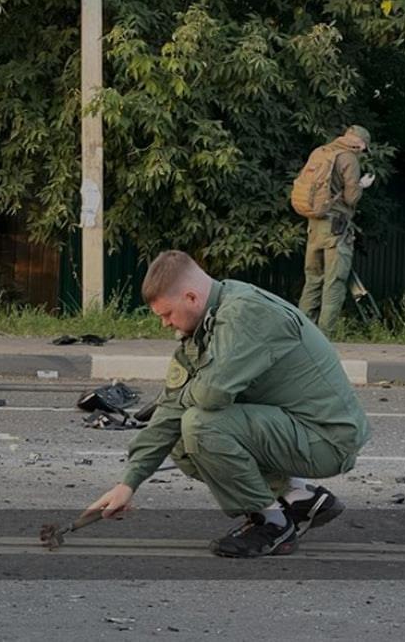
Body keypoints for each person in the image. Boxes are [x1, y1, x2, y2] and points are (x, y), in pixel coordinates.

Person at [87, 250, 370, 558]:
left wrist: (179, 399)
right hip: (295, 428)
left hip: (327, 438)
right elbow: (170, 410)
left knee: (200, 424)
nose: (165, 324)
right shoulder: (206, 324)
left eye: (167, 314)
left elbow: (211, 394)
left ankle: (272, 525)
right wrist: (128, 483)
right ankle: (297, 497)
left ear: (191, 297)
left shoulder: (245, 314)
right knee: (180, 437)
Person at [297, 125, 376, 335]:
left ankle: (302, 333)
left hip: (314, 224)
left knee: (313, 280)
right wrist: (361, 185)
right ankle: (325, 336)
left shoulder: (320, 152)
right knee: (335, 281)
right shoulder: (349, 159)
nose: (363, 152)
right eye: (364, 148)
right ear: (360, 143)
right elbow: (351, 198)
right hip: (336, 228)